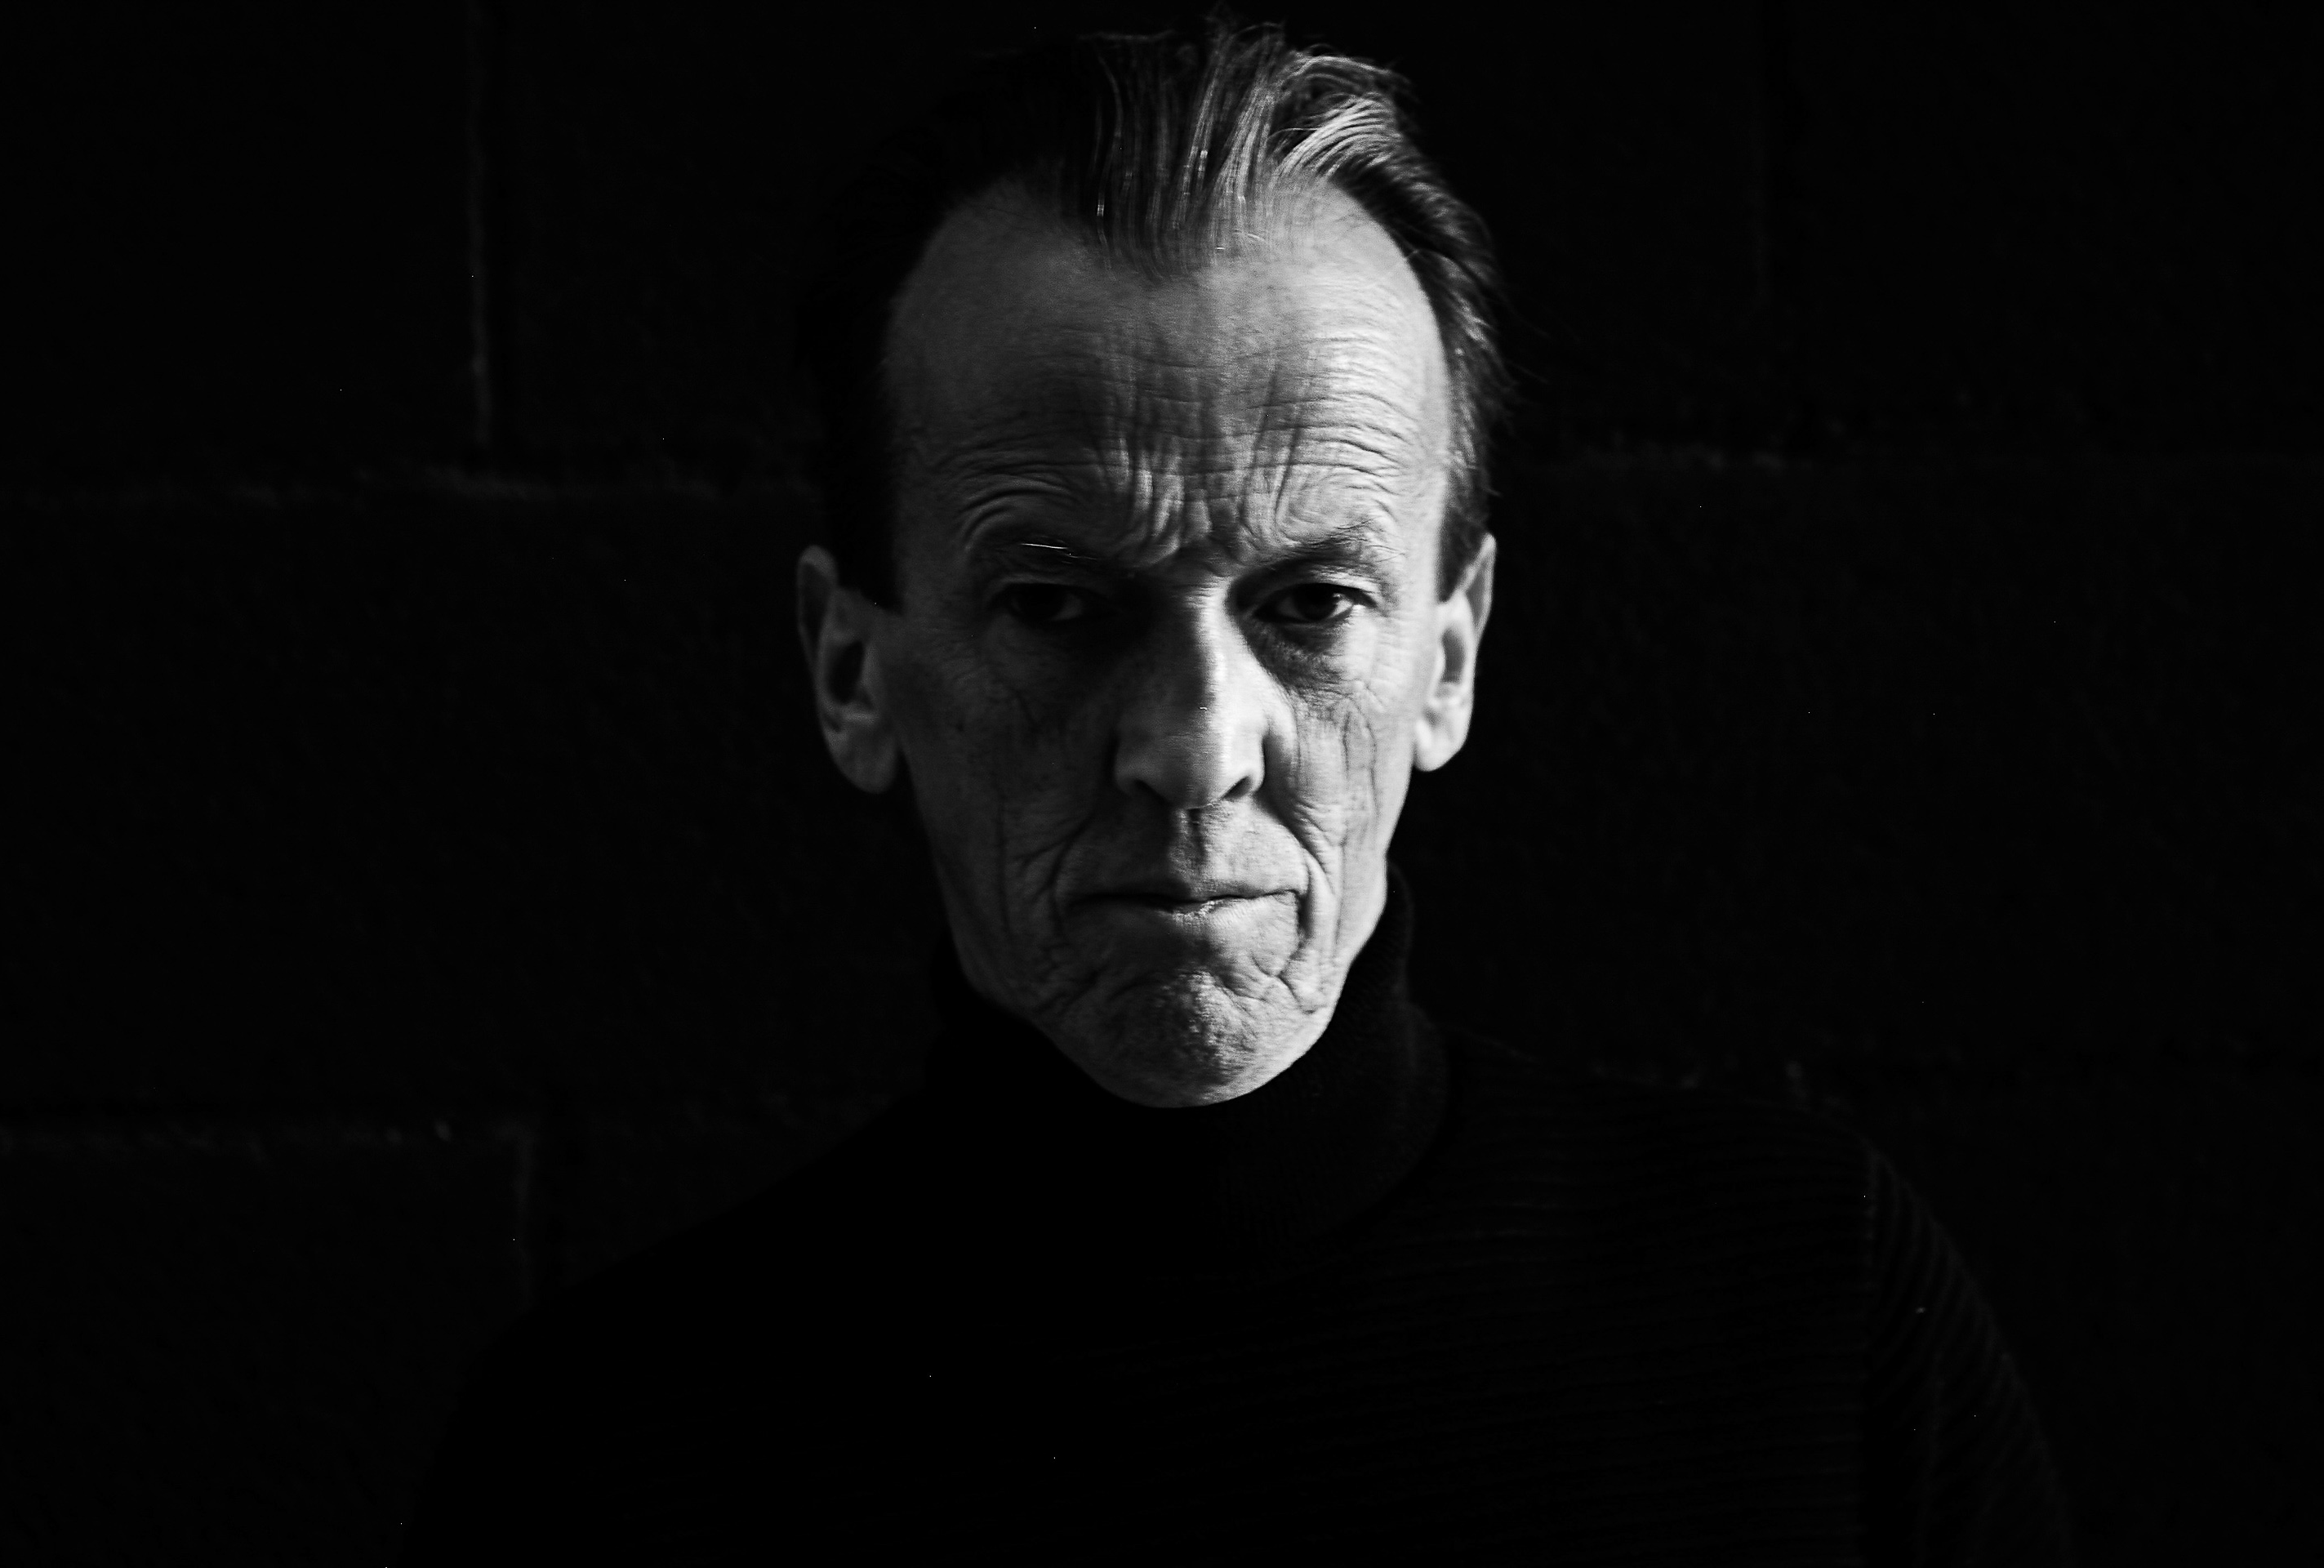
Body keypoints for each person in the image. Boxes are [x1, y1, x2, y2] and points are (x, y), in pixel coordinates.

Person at [403, 16, 2074, 1563]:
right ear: (854, 672)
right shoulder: (606, 1463)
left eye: (1312, 606)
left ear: (1448, 660)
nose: (1198, 748)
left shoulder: (1811, 1317)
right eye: (1058, 607)